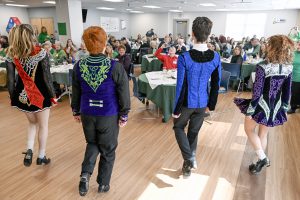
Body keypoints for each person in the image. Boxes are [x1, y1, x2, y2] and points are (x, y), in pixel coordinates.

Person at [71, 26, 130, 196]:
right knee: (108, 149)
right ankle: (103, 184)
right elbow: (124, 93)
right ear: (104, 44)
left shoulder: (79, 66)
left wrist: (75, 110)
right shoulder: (115, 66)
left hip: (87, 113)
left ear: (87, 45)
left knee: (92, 143)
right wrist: (124, 114)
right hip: (108, 114)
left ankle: (85, 174)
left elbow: (76, 91)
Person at [234, 35, 294, 174]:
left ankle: (262, 158)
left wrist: (250, 110)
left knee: (248, 130)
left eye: (268, 44)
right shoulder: (288, 68)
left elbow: (257, 91)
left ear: (273, 47)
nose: (266, 46)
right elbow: (287, 91)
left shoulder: (263, 65)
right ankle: (257, 164)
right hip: (275, 106)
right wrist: (284, 107)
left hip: (260, 104)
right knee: (263, 133)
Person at [173, 17, 222, 177]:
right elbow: (216, 83)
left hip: (187, 103)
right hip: (202, 103)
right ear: (208, 34)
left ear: (192, 33)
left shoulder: (184, 57)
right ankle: (188, 166)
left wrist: (176, 109)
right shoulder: (215, 57)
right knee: (193, 133)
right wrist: (211, 105)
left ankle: (189, 159)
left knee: (178, 127)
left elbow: (180, 86)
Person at [6, 24, 57, 167]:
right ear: (30, 36)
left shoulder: (11, 55)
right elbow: (47, 78)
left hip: (21, 97)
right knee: (43, 125)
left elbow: (10, 81)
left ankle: (29, 150)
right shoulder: (41, 52)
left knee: (32, 123)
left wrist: (13, 98)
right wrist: (53, 96)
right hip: (41, 96)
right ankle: (41, 156)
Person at [287, 40, 300, 114]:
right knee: (294, 93)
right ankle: (293, 107)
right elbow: (288, 63)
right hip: (294, 76)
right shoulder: (293, 53)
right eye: (298, 44)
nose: (298, 46)